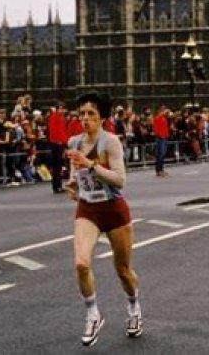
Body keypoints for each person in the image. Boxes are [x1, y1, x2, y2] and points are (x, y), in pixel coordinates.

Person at [65, 93, 142, 346]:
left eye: (91, 114)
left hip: (114, 210)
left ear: (102, 118)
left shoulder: (110, 142)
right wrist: (72, 185)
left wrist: (90, 165)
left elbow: (120, 180)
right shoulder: (74, 142)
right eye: (82, 114)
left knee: (123, 271)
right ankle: (93, 314)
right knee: (81, 264)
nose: (85, 119)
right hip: (88, 209)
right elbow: (76, 176)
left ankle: (134, 307)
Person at [47, 101, 69, 193]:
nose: (62, 110)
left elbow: (63, 131)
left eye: (62, 108)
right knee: (56, 165)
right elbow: (54, 131)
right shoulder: (54, 118)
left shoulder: (61, 118)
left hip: (60, 142)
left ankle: (58, 185)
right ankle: (56, 186)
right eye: (60, 108)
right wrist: (59, 141)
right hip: (56, 143)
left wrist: (65, 141)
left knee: (59, 166)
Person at [153, 106, 170, 177]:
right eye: (164, 111)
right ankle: (159, 170)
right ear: (160, 111)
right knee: (160, 154)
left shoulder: (164, 118)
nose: (165, 112)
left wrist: (167, 135)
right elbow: (155, 129)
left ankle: (160, 170)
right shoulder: (157, 118)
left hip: (164, 137)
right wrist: (160, 135)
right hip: (160, 138)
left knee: (162, 154)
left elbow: (165, 128)